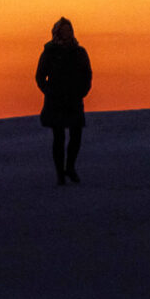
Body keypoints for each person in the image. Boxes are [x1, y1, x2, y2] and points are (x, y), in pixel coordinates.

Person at [34, 17, 93, 185]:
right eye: (64, 31)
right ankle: (60, 173)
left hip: (74, 99)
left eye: (69, 30)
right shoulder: (50, 52)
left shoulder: (79, 51)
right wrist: (49, 91)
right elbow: (39, 76)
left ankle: (70, 167)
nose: (67, 34)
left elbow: (87, 74)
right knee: (58, 138)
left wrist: (83, 91)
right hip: (56, 101)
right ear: (57, 32)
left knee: (76, 135)